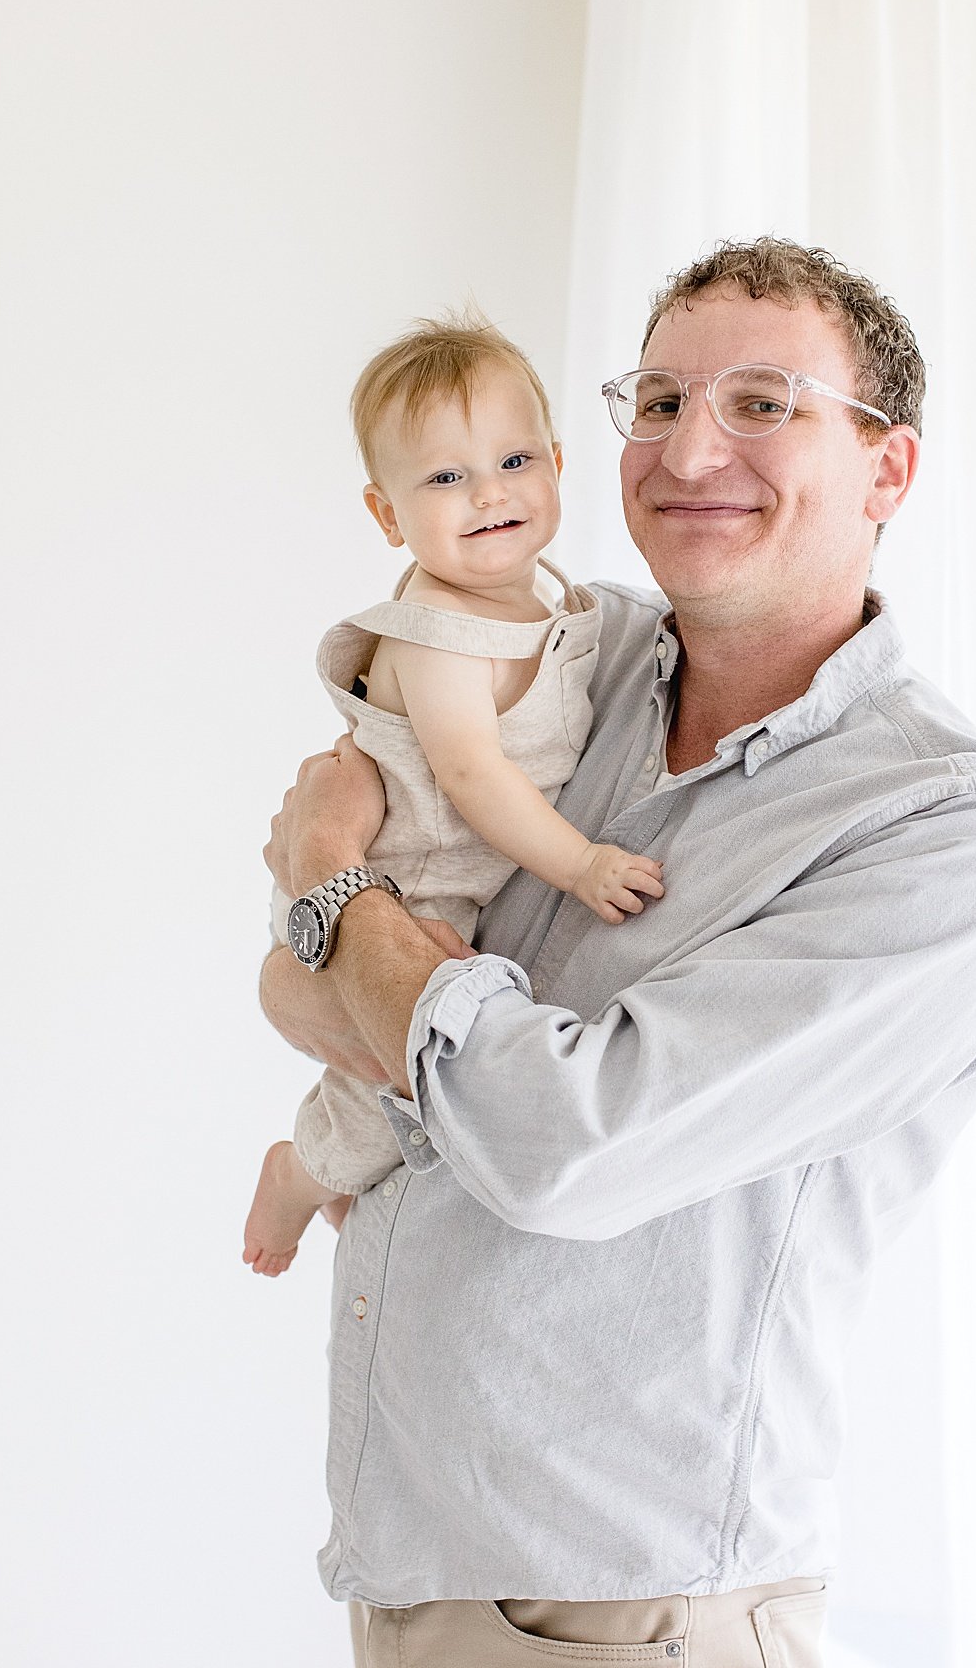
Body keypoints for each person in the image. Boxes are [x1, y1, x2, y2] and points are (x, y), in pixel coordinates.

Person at [259, 238, 976, 1668]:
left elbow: (563, 1140)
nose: (692, 449)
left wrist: (334, 887)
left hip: (631, 1610)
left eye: (765, 403)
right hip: (413, 1558)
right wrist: (354, 945)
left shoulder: (945, 834)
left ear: (889, 472)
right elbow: (323, 987)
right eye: (658, 400)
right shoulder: (571, 660)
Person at [243, 316, 664, 1276]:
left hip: (448, 887)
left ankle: (358, 1182)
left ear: (559, 464)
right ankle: (301, 1175)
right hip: (395, 885)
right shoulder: (434, 629)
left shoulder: (553, 603)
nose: (488, 493)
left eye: (514, 459)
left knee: (434, 1087)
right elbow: (472, 773)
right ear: (387, 515)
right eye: (443, 478)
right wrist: (580, 863)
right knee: (404, 1078)